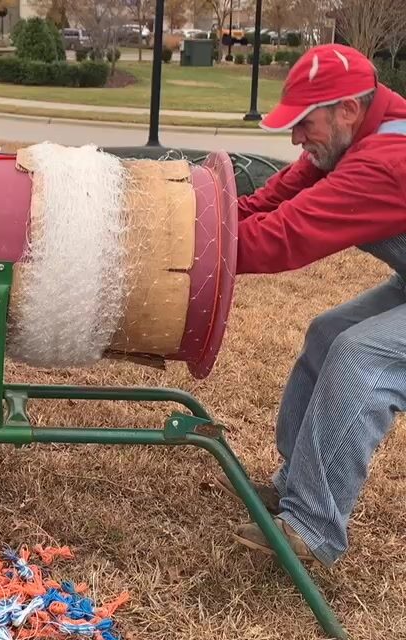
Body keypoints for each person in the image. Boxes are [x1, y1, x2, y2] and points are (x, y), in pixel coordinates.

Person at [213, 43, 406, 567]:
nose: (295, 137)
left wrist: (189, 252)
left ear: (347, 109)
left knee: (359, 354)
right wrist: (200, 216)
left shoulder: (387, 162)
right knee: (328, 332)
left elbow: (286, 234)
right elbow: (271, 202)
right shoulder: (351, 134)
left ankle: (311, 526)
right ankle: (294, 486)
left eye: (304, 122)